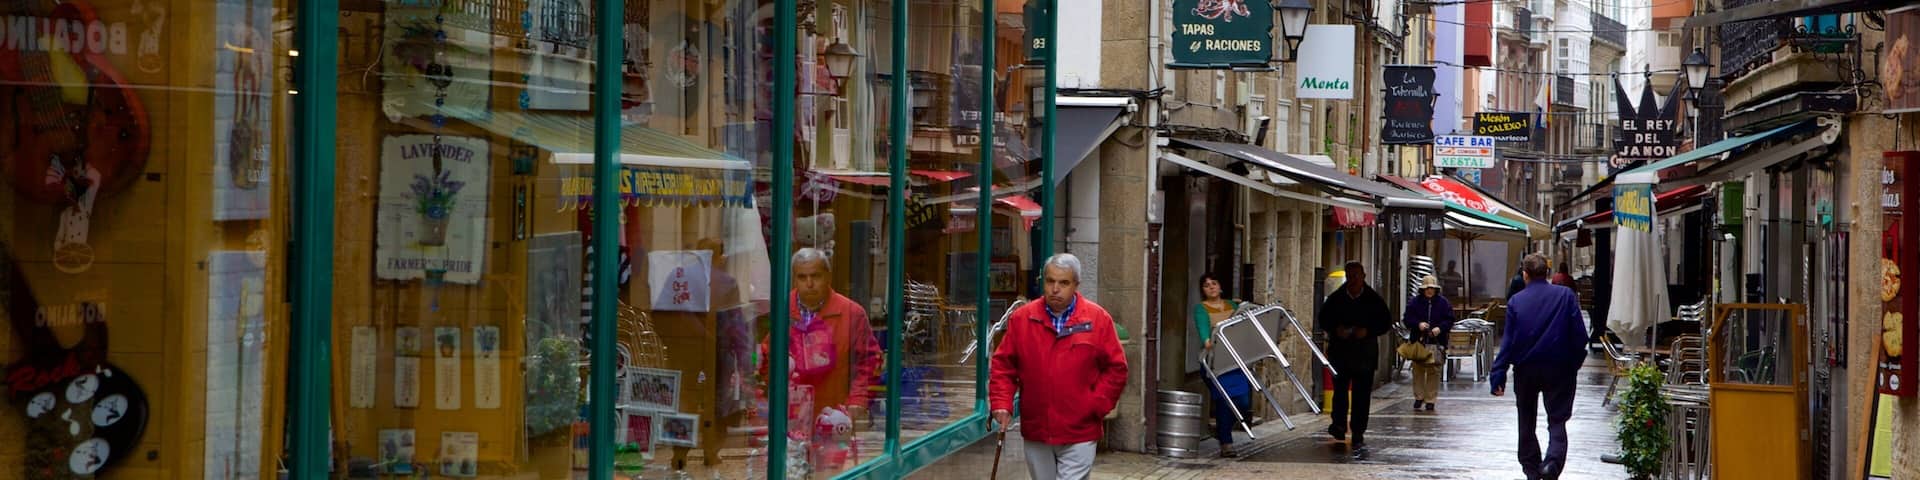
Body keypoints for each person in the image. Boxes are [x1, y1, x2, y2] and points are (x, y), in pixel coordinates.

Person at [990, 253, 1128, 480]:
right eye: (1050, 281)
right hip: (1037, 428)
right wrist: (1002, 404)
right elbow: (1004, 366)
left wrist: (1096, 404)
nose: (1055, 289)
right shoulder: (1023, 318)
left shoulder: (1097, 319)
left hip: (1080, 429)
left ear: (1076, 285)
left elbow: (1116, 368)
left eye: (1063, 283)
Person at [758, 248, 883, 474]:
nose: (809, 283)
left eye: (815, 276)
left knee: (831, 473)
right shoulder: (781, 310)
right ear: (794, 278)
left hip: (834, 415)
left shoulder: (851, 313)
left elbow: (869, 362)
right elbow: (767, 357)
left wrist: (858, 400)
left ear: (828, 276)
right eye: (802, 277)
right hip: (792, 416)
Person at [1489, 254, 1591, 480]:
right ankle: (1552, 463)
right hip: (1559, 368)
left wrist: (1498, 374)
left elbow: (1508, 342)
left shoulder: (1516, 301)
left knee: (1526, 419)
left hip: (1526, 370)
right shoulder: (1565, 295)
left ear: (1525, 275)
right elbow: (1580, 335)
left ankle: (1531, 468)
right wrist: (1574, 363)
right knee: (1557, 420)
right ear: (1546, 272)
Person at [1316, 261, 1392, 449]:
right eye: (1350, 276)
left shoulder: (1373, 299)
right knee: (1339, 392)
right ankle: (1339, 425)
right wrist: (1336, 329)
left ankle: (1358, 431)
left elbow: (1385, 322)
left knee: (1361, 395)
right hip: (1340, 353)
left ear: (1363, 276)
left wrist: (1367, 331)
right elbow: (1323, 319)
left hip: (1364, 355)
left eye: (1356, 276)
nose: (1353, 280)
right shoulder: (1337, 298)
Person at [1193, 273, 1251, 458]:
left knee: (1242, 401)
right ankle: (1226, 443)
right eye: (1206, 285)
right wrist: (1207, 340)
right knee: (1224, 403)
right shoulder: (1201, 309)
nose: (1211, 287)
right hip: (1215, 363)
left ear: (1220, 286)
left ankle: (1223, 430)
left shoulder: (1232, 305)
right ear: (1202, 290)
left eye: (1214, 283)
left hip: (1234, 361)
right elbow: (1204, 331)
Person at [1404, 274, 1455, 412]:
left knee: (1434, 370)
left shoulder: (1443, 303)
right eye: (1427, 288)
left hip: (1437, 342)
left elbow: (1450, 319)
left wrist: (1440, 328)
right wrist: (1418, 324)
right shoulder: (1414, 302)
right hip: (1418, 341)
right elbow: (1407, 319)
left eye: (1432, 288)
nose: (1429, 291)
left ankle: (1430, 399)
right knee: (1418, 370)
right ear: (1422, 289)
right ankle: (1419, 396)